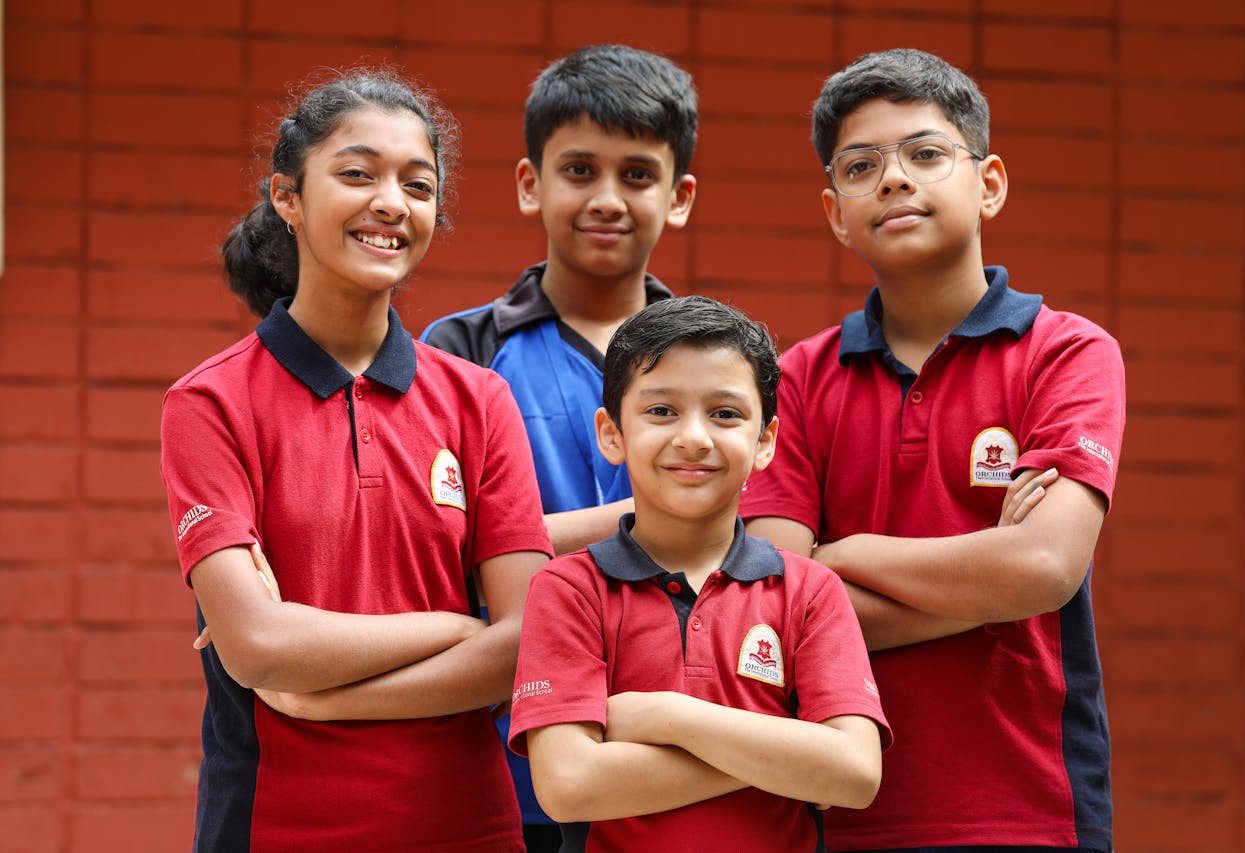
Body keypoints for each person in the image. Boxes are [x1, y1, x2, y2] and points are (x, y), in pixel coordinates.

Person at [740, 48, 1124, 853]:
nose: (893, 179)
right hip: (836, 812)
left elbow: (1047, 568)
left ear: (989, 183)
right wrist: (991, 584)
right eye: (861, 165)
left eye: (925, 153)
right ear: (835, 211)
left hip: (1031, 809)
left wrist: (844, 554)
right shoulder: (795, 380)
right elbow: (770, 606)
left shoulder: (1067, 353)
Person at [159, 69, 552, 852]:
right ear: (288, 198)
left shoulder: (479, 400)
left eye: (417, 184)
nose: (390, 203)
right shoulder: (210, 403)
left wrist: (325, 695)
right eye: (357, 173)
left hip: (466, 827)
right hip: (274, 824)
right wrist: (453, 624)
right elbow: (259, 647)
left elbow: (528, 643)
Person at [420, 43, 698, 849]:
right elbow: (449, 545)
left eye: (638, 175)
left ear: (679, 196)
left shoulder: (719, 358)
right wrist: (644, 515)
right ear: (529, 183)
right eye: (579, 170)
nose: (607, 198)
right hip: (510, 760)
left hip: (678, 752)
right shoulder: (460, 349)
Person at [508, 295, 891, 853]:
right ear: (612, 433)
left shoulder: (808, 590)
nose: (694, 437)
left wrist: (667, 715)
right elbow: (569, 785)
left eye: (726, 413)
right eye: (661, 411)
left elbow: (856, 775)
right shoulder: (570, 589)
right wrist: (791, 758)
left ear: (765, 441)